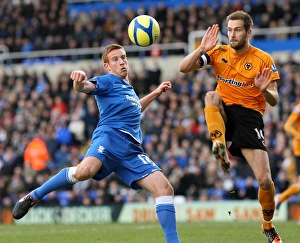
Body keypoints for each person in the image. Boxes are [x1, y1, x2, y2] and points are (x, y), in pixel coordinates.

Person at [13, 43, 180, 243]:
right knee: (85, 172)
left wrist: (156, 93)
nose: (122, 62)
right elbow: (85, 87)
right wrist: (79, 80)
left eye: (124, 57)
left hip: (131, 151)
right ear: (107, 66)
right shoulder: (108, 81)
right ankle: (34, 196)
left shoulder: (129, 90)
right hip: (109, 138)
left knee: (165, 189)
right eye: (116, 59)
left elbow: (136, 108)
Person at [179, 10, 282, 243]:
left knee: (265, 180)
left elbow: (274, 100)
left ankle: (268, 226)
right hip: (225, 109)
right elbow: (183, 68)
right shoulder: (218, 52)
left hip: (250, 118)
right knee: (210, 95)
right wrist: (201, 49)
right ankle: (219, 142)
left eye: (237, 30)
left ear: (248, 32)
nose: (232, 34)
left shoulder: (263, 59)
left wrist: (265, 89)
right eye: (230, 30)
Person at [276, 103, 300, 213]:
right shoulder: (298, 108)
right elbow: (287, 126)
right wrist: (298, 136)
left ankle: (280, 198)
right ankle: (280, 198)